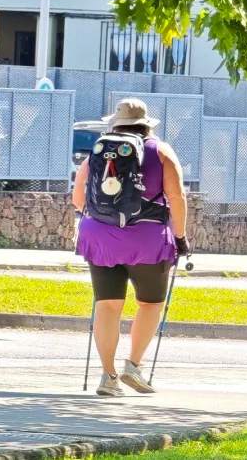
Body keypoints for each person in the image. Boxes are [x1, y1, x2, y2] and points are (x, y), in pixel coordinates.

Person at [72, 98, 189, 398]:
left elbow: (78, 199)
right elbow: (176, 198)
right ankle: (133, 366)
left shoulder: (99, 151)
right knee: (150, 303)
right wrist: (180, 236)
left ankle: (108, 376)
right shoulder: (161, 151)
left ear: (116, 122)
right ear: (146, 124)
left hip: (99, 238)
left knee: (107, 305)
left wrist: (104, 220)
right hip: (147, 241)